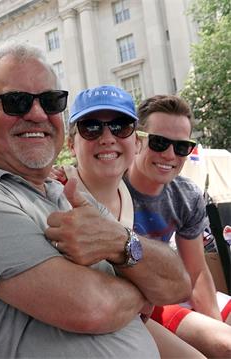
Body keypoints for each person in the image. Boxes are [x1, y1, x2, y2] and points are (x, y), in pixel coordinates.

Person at [0, 43, 191, 358]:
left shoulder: (66, 195)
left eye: (51, 101)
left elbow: (178, 284)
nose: (37, 114)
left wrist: (121, 242)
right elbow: (93, 307)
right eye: (17, 102)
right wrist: (143, 286)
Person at [52, 85, 204, 358]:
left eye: (120, 127)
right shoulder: (56, 195)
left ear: (135, 142)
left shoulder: (132, 196)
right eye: (91, 128)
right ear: (71, 144)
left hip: (132, 321)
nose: (107, 137)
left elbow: (185, 281)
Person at [124, 94, 231, 357]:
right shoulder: (112, 187)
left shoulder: (186, 195)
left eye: (182, 147)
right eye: (159, 142)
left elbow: (196, 271)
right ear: (137, 141)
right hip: (135, 306)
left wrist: (214, 328)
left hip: (172, 291)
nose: (170, 155)